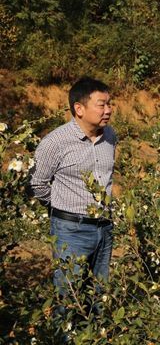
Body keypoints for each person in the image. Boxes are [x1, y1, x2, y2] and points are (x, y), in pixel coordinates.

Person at [29, 77, 116, 297]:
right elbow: (37, 183)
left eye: (109, 104)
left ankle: (97, 331)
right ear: (79, 108)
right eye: (101, 104)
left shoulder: (111, 136)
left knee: (99, 293)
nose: (108, 110)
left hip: (105, 228)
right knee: (69, 296)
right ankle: (66, 333)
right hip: (71, 230)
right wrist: (60, 208)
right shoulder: (55, 142)